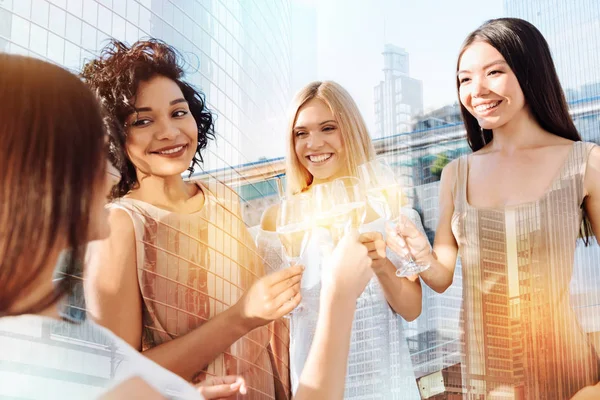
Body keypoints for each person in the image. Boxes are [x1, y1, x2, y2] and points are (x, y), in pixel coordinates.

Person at [0, 53, 246, 400]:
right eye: (92, 156)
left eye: (179, 112)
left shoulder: (52, 342)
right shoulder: (37, 357)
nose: (112, 174)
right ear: (35, 177)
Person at [386, 18, 600, 398]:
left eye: (494, 72)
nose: (476, 90)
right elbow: (440, 277)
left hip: (572, 377)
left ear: (530, 71)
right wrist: (418, 250)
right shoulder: (456, 173)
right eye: (464, 79)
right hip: (486, 381)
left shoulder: (586, 162)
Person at [80, 39, 304, 399]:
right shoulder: (119, 227)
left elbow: (266, 335)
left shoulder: (223, 199)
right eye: (143, 120)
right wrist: (242, 316)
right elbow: (121, 380)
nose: (169, 132)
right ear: (115, 138)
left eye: (178, 112)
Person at [260, 81, 422, 398]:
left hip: (386, 388)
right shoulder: (280, 220)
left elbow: (411, 308)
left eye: (328, 128)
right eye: (301, 133)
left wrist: (379, 263)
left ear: (351, 131)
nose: (314, 143)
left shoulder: (387, 208)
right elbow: (275, 322)